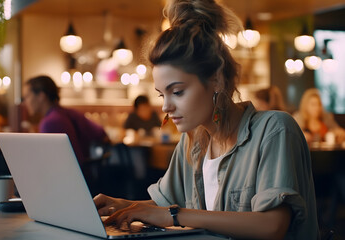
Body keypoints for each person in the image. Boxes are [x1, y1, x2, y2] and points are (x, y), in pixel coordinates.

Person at [94, 0, 319, 239]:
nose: (166, 106)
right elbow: (165, 207)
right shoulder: (193, 143)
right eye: (162, 94)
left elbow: (272, 226)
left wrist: (174, 215)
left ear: (216, 80)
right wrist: (121, 205)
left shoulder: (274, 129)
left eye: (177, 91)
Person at [22, 75, 109, 164]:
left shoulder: (50, 122)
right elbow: (101, 132)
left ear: (41, 96)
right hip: (86, 173)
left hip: (74, 174)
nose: (25, 102)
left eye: (27, 96)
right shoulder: (67, 113)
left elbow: (50, 163)